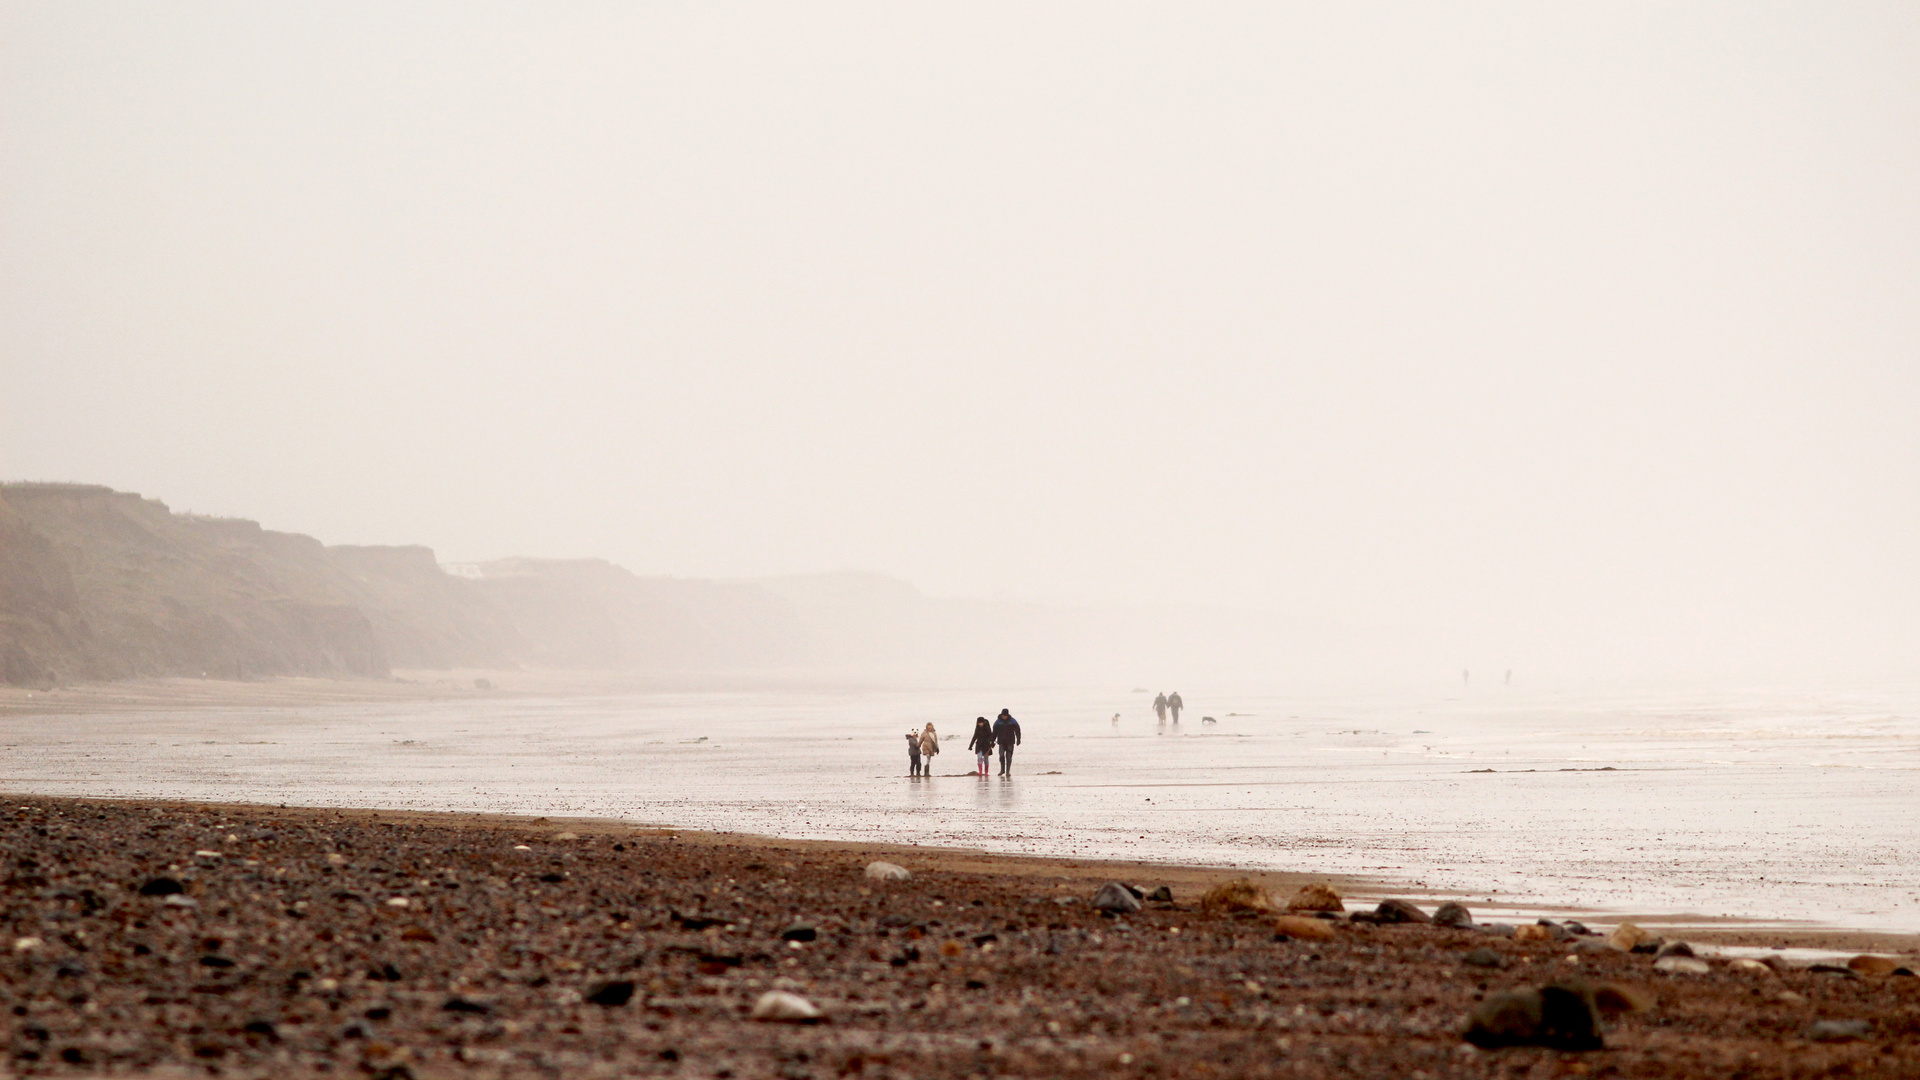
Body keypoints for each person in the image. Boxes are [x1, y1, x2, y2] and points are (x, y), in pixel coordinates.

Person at [992, 708, 1022, 775]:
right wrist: (992, 741)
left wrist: (1018, 739)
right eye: (1003, 715)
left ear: (1007, 715)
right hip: (1001, 742)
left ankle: (1008, 771)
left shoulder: (1012, 721)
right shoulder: (998, 722)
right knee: (1001, 756)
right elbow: (994, 733)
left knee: (1008, 757)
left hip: (1010, 742)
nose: (1004, 717)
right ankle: (1002, 770)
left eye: (1005, 715)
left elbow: (1017, 731)